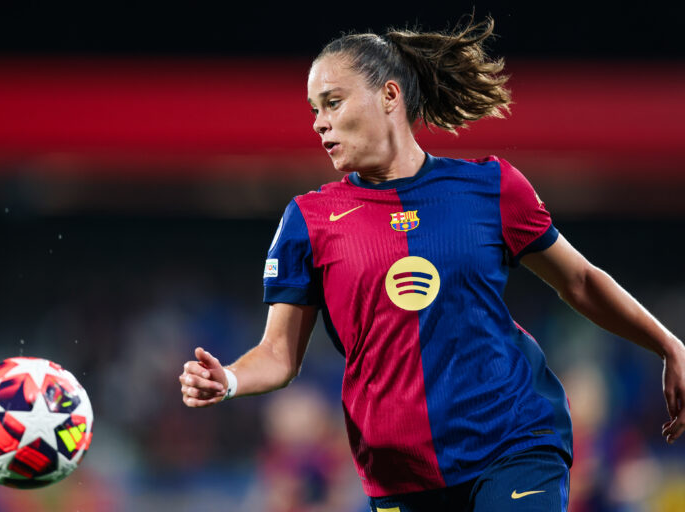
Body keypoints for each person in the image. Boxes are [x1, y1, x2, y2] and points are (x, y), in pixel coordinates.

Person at [179, 16, 685, 512]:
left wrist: (667, 345)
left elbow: (579, 280)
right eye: (314, 109)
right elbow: (278, 355)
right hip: (399, 475)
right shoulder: (308, 221)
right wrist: (229, 380)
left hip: (512, 443)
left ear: (390, 97)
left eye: (332, 102)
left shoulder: (491, 188)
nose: (319, 122)